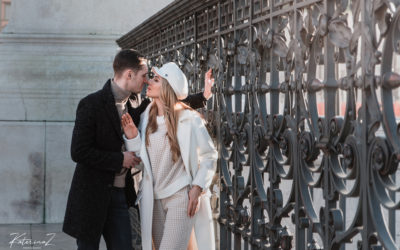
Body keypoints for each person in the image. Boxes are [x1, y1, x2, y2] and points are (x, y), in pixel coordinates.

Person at [63, 49, 213, 250]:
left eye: (150, 78)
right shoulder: (91, 104)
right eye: (144, 76)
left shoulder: (139, 105)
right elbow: (78, 151)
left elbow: (170, 101)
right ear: (129, 75)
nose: (146, 81)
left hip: (121, 196)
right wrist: (119, 159)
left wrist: (202, 97)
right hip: (92, 195)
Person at [122, 62, 218, 250]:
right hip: (153, 199)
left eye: (156, 79)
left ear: (167, 87)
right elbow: (143, 163)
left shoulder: (189, 120)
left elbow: (209, 155)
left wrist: (197, 188)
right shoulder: (145, 119)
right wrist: (133, 137)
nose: (149, 81)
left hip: (181, 198)